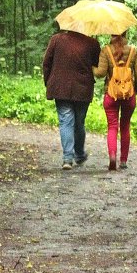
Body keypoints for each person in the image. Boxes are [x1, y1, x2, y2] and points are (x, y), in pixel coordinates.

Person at [42, 28, 102, 169]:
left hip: (60, 87)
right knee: (79, 123)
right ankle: (79, 154)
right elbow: (97, 65)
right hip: (83, 89)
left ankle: (68, 159)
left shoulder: (56, 39)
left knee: (66, 121)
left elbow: (47, 62)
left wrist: (49, 81)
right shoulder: (92, 43)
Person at [94, 31, 137, 171]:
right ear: (125, 33)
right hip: (129, 95)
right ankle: (123, 161)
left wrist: (92, 68)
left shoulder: (106, 50)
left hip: (111, 95)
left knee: (112, 126)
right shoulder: (133, 51)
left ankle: (113, 156)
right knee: (125, 125)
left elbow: (100, 73)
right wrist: (135, 90)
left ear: (111, 34)